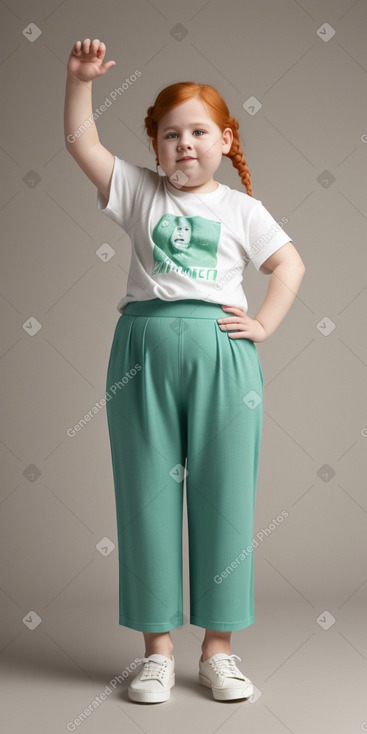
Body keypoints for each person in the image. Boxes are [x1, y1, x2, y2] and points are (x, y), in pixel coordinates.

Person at [64, 38, 306, 704]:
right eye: (171, 135)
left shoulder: (241, 210)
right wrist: (81, 81)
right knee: (145, 496)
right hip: (141, 351)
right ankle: (157, 653)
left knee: (224, 497)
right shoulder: (139, 193)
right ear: (155, 147)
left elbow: (288, 266)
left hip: (223, 356)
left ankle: (219, 651)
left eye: (199, 132)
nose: (185, 145)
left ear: (225, 141)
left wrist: (260, 324)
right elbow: (82, 143)